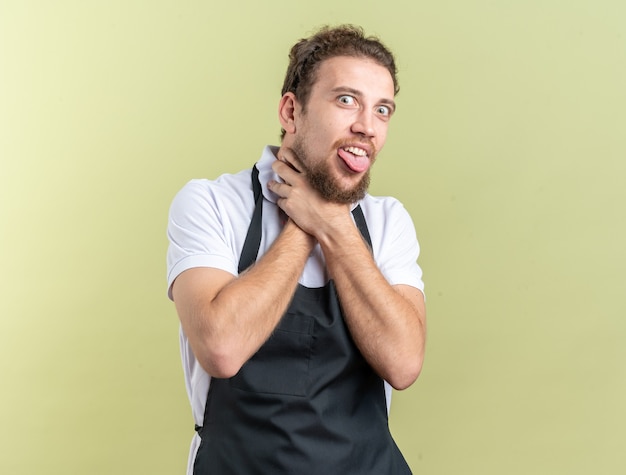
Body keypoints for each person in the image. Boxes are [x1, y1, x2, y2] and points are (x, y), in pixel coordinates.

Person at [166, 24, 427, 474]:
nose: (366, 126)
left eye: (382, 110)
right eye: (346, 100)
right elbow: (221, 348)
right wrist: (302, 225)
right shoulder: (211, 204)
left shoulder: (387, 221)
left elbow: (403, 363)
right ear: (291, 110)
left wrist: (332, 223)